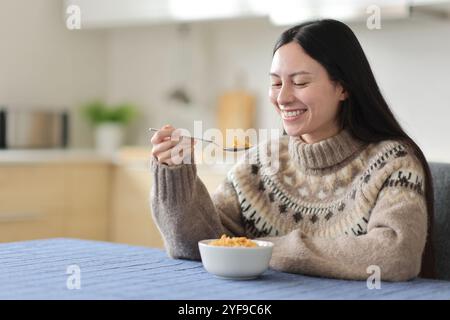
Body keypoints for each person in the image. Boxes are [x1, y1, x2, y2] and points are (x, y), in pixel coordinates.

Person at [150, 19, 435, 281]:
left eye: (300, 82)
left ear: (343, 88)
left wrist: (265, 249)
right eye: (275, 83)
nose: (283, 97)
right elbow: (201, 246)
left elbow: (395, 256)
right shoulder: (260, 163)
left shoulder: (393, 163)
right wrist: (175, 174)